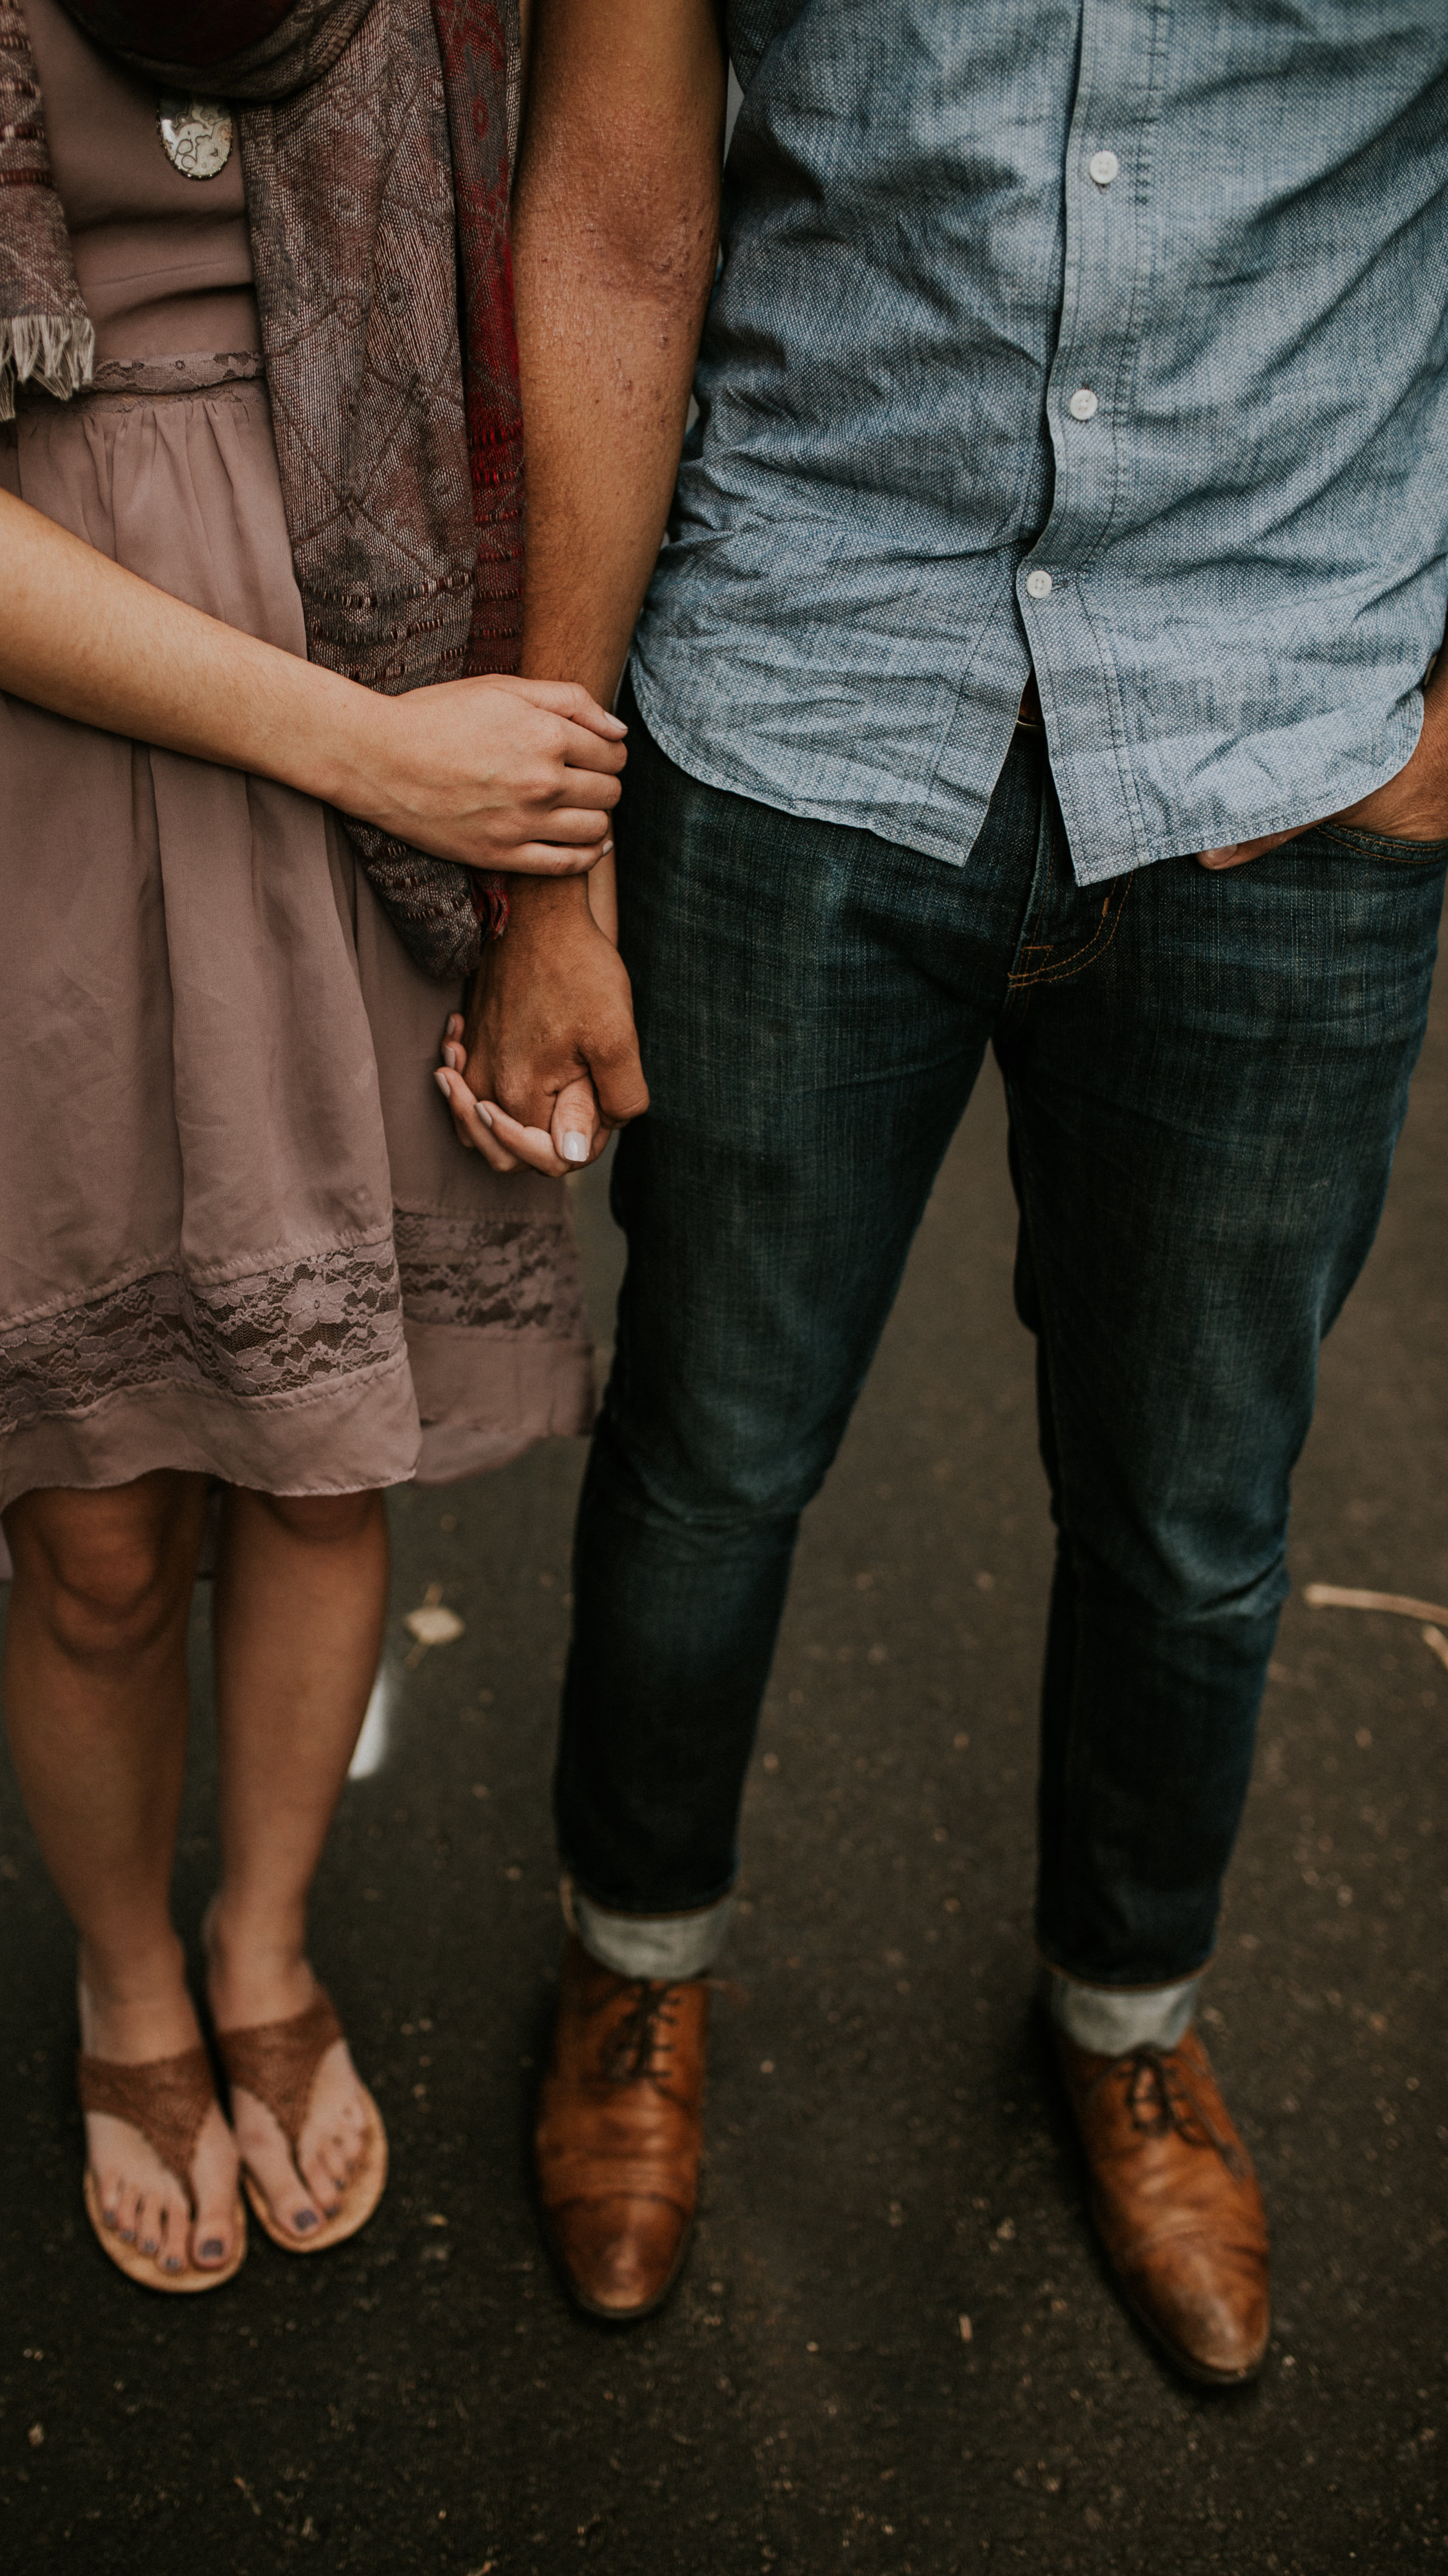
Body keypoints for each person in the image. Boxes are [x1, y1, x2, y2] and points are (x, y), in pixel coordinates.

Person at [437, 0, 1448, 2382]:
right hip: (800, 695)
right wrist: (548, 879)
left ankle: (1127, 2013)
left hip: (1283, 729)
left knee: (1196, 1505)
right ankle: (635, 1967)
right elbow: (605, 210)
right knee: (710, 1445)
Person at [0, 0, 634, 2293]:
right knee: (106, 1531)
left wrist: (510, 831)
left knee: (327, 1457)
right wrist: (373, 757)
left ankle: (262, 1943)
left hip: (372, 593)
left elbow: (595, 252)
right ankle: (131, 1979)